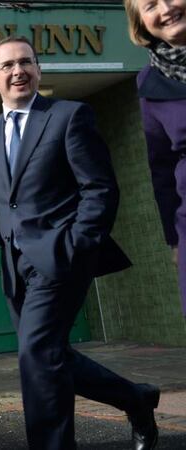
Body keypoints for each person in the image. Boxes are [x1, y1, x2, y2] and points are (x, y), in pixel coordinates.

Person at [0, 36, 160, 450]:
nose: (17, 71)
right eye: (7, 66)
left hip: (61, 256)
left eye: (26, 62)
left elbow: (100, 189)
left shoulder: (69, 116)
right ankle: (136, 398)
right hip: (14, 266)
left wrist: (77, 244)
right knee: (49, 357)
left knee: (36, 355)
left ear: (38, 70)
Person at [124, 0, 186, 317]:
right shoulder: (148, 82)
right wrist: (175, 240)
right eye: (149, 6)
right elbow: (161, 166)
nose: (164, 9)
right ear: (141, 23)